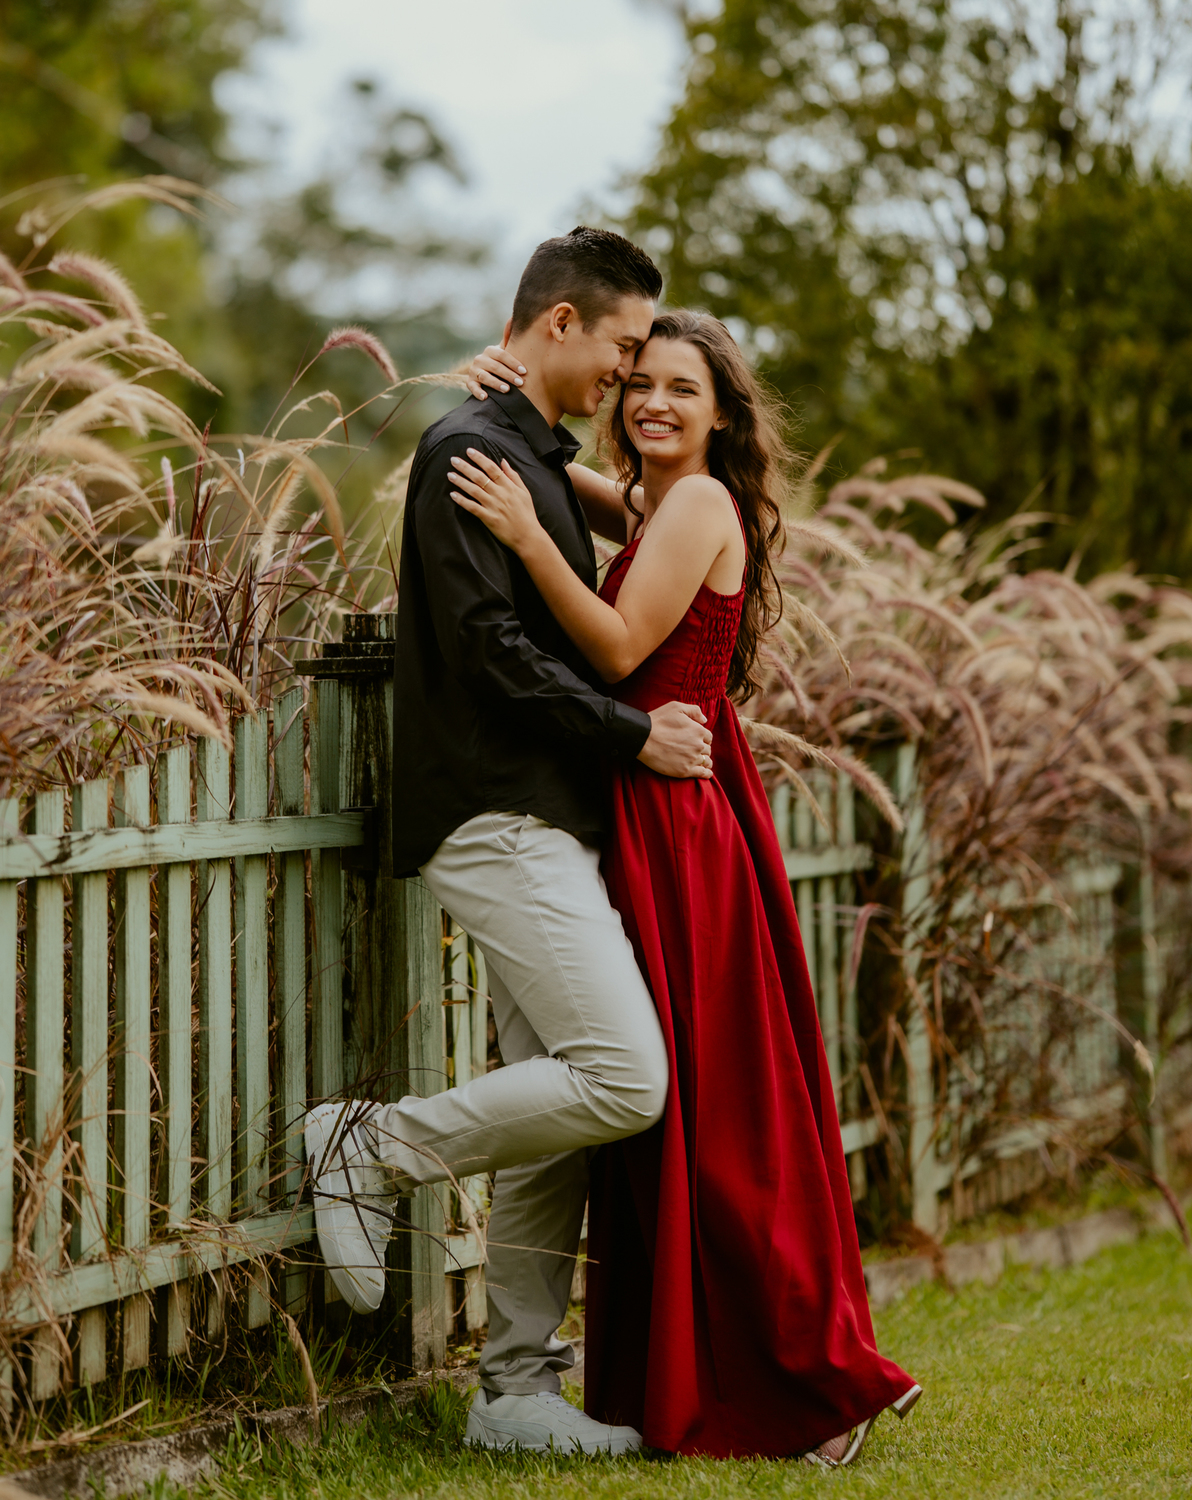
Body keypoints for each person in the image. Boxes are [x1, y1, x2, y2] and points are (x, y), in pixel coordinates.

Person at [455, 308, 921, 1465]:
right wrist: (520, 418)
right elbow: (600, 495)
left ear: (722, 415)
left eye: (681, 390)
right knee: (682, 1110)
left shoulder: (701, 502)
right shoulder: (668, 501)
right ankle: (721, 1364)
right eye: (639, 384)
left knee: (708, 1115)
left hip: (673, 822)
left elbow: (616, 649)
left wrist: (523, 534)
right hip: (659, 809)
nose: (653, 402)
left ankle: (811, 1379)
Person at [303, 228, 718, 1458]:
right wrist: (629, 733)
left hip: (556, 817)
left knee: (567, 1111)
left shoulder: (521, 450)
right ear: (560, 326)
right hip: (497, 814)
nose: (632, 380)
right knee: (625, 1081)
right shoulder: (464, 457)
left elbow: (636, 505)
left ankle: (515, 1394)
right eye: (625, 349)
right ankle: (366, 1143)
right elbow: (491, 648)